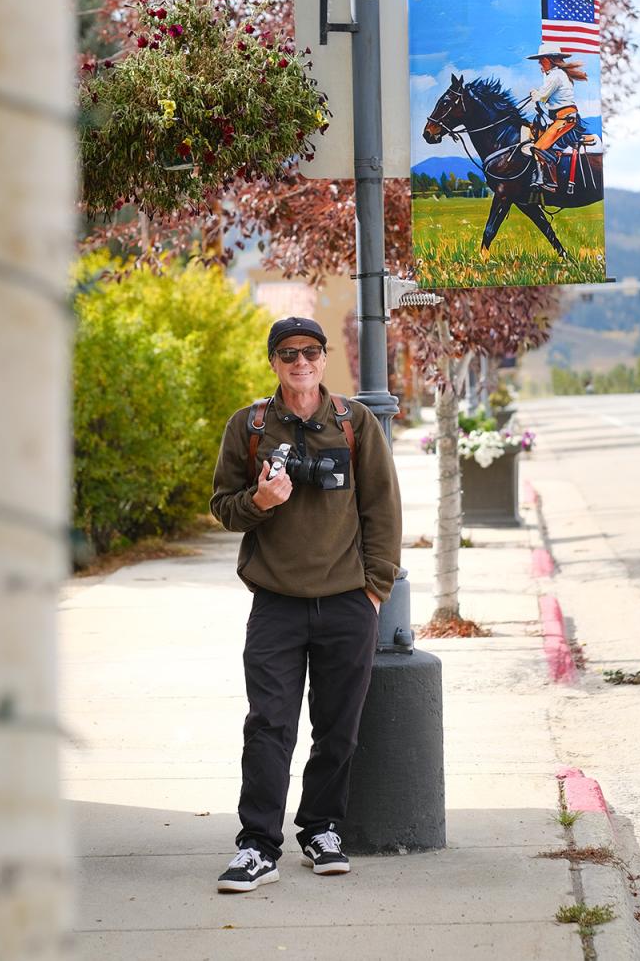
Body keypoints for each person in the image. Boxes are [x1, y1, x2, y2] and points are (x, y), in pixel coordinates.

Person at [210, 316, 402, 894]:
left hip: (347, 601)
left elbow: (383, 510)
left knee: (338, 728)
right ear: (273, 361)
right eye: (288, 353)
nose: (300, 362)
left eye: (311, 352)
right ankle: (257, 846)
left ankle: (321, 830)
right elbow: (223, 506)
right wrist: (261, 501)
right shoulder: (249, 425)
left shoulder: (354, 422)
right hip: (277, 602)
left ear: (324, 359)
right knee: (269, 725)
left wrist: (375, 589)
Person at [526, 43, 588, 190]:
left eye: (542, 59)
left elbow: (542, 96)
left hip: (565, 119)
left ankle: (548, 179)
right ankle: (543, 177)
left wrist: (534, 93)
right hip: (559, 118)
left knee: (538, 147)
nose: (540, 62)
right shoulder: (554, 75)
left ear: (550, 59)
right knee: (537, 140)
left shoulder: (556, 76)